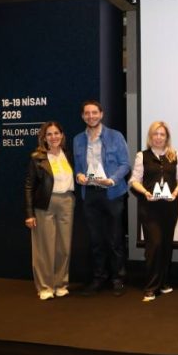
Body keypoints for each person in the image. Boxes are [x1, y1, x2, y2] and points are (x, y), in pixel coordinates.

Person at [73, 100, 130, 296]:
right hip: (90, 194)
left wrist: (112, 180)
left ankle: (118, 278)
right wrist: (79, 175)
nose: (91, 116)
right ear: (83, 116)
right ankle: (99, 277)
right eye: (87, 113)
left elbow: (125, 164)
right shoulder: (78, 140)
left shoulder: (115, 136)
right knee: (96, 239)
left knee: (115, 239)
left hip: (112, 193)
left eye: (94, 112)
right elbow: (78, 167)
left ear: (101, 114)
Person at [129, 121, 178, 302]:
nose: (159, 137)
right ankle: (151, 287)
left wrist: (175, 192)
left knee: (166, 244)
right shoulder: (142, 156)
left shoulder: (174, 155)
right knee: (154, 245)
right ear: (150, 136)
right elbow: (134, 180)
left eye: (162, 134)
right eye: (155, 134)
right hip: (149, 208)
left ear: (166, 137)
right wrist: (145, 192)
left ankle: (163, 282)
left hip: (170, 207)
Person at [25, 121, 75, 300]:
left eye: (56, 133)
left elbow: (80, 174)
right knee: (45, 248)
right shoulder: (37, 157)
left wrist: (90, 178)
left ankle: (61, 284)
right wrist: (29, 214)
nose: (53, 137)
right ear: (44, 138)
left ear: (62, 135)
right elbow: (29, 186)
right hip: (45, 204)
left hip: (67, 202)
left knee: (64, 247)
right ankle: (45, 287)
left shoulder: (68, 154)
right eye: (49, 134)